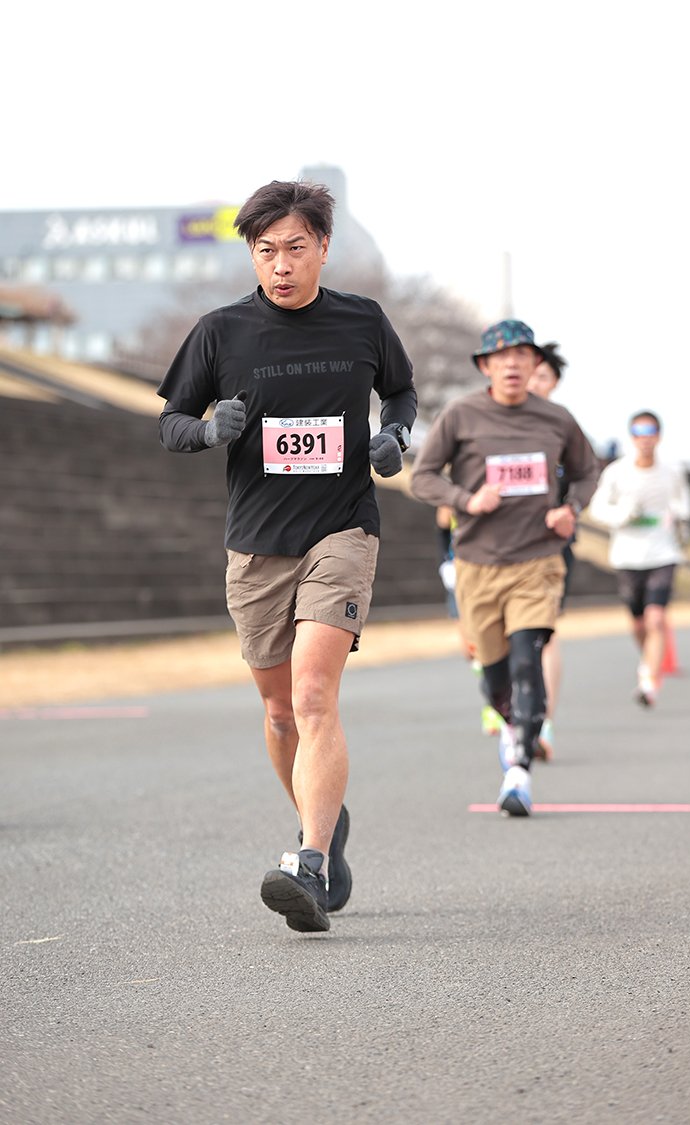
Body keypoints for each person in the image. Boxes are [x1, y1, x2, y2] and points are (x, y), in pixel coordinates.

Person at [157, 179, 417, 933]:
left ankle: (304, 860)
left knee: (312, 694)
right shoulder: (220, 331)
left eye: (295, 247)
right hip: (256, 543)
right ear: (252, 254)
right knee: (277, 713)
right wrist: (210, 430)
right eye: (266, 250)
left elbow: (400, 394)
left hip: (341, 528)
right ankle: (326, 829)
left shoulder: (363, 321)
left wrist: (394, 438)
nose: (280, 264)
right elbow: (169, 420)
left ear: (323, 248)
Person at [410, 319, 599, 816]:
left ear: (536, 364)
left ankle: (518, 771)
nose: (513, 365)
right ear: (485, 366)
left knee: (526, 658)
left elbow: (586, 470)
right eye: (502, 357)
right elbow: (423, 477)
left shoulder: (557, 418)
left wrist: (571, 509)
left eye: (523, 356)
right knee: (494, 677)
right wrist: (466, 499)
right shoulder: (460, 415)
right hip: (477, 564)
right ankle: (516, 732)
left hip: (537, 560)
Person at [588, 411, 690, 707]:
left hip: (663, 552)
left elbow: (683, 502)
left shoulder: (672, 470)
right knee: (638, 624)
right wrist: (622, 514)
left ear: (658, 436)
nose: (645, 439)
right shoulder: (617, 473)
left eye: (650, 432)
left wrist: (680, 519)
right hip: (628, 555)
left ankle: (648, 680)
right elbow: (598, 510)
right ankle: (649, 659)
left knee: (656, 618)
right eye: (639, 432)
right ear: (632, 437)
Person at [526, 341, 574, 759]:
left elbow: (586, 477)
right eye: (530, 372)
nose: (534, 381)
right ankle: (512, 711)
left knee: (546, 631)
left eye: (544, 376)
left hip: (550, 546)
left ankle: (543, 722)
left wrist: (568, 509)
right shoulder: (486, 421)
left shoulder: (562, 427)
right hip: (494, 548)